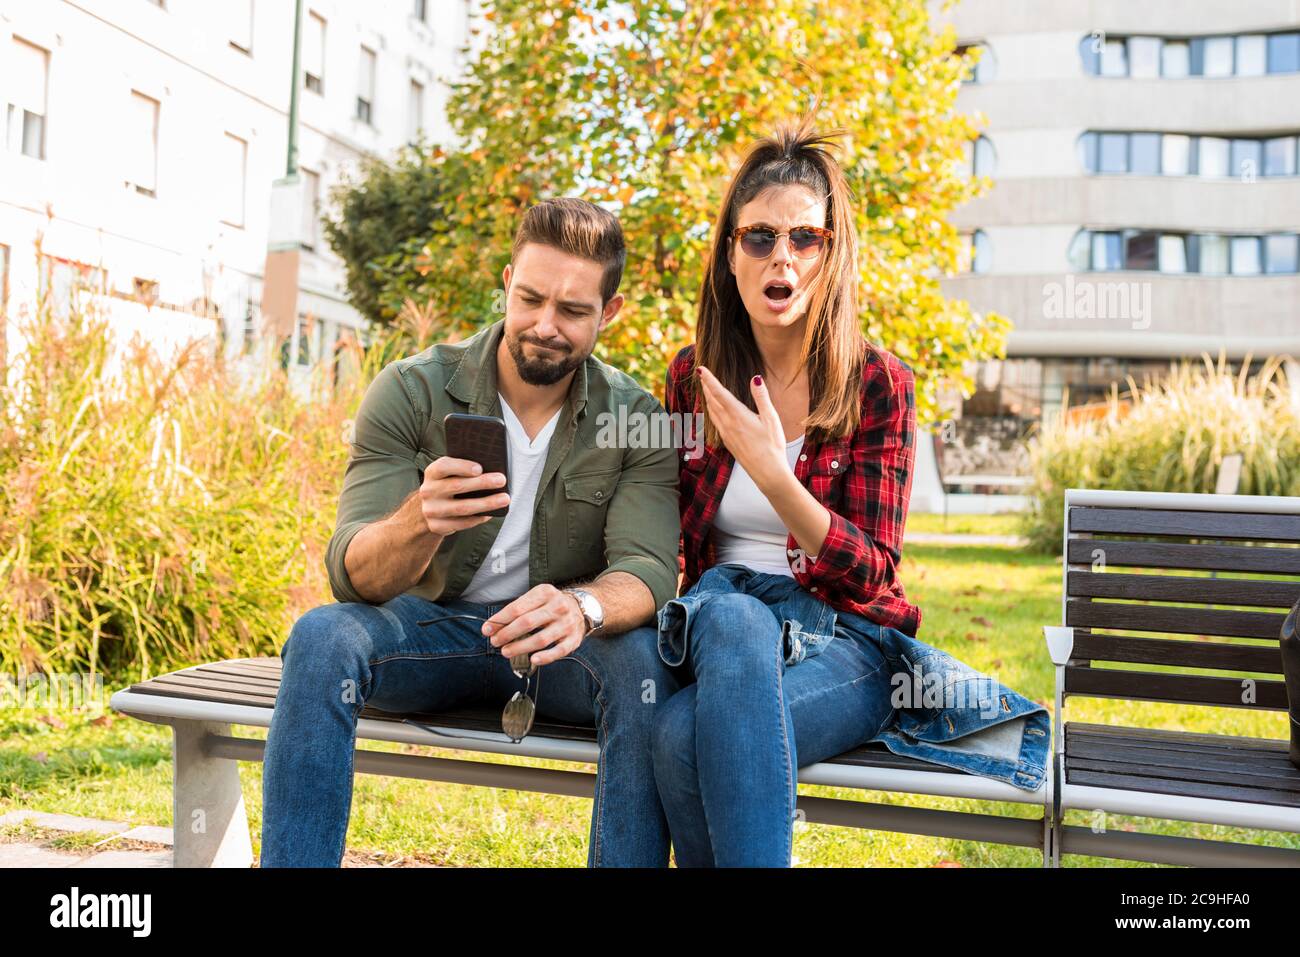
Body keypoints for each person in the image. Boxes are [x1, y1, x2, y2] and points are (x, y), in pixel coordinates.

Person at [651, 118, 1048, 867]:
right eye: (760, 237)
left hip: (847, 642)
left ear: (833, 255)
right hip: (721, 631)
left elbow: (870, 570)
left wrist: (774, 474)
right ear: (729, 256)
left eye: (806, 238)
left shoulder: (878, 383)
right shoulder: (691, 377)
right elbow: (663, 530)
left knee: (683, 734)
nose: (783, 257)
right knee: (722, 633)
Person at [261, 198, 682, 867]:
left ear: (612, 311)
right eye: (530, 298)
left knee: (640, 665)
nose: (544, 325)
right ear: (508, 282)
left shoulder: (638, 419)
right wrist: (418, 519)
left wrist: (583, 606)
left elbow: (650, 571)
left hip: (556, 649)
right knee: (321, 636)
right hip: (429, 634)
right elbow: (352, 573)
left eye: (573, 310)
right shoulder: (411, 388)